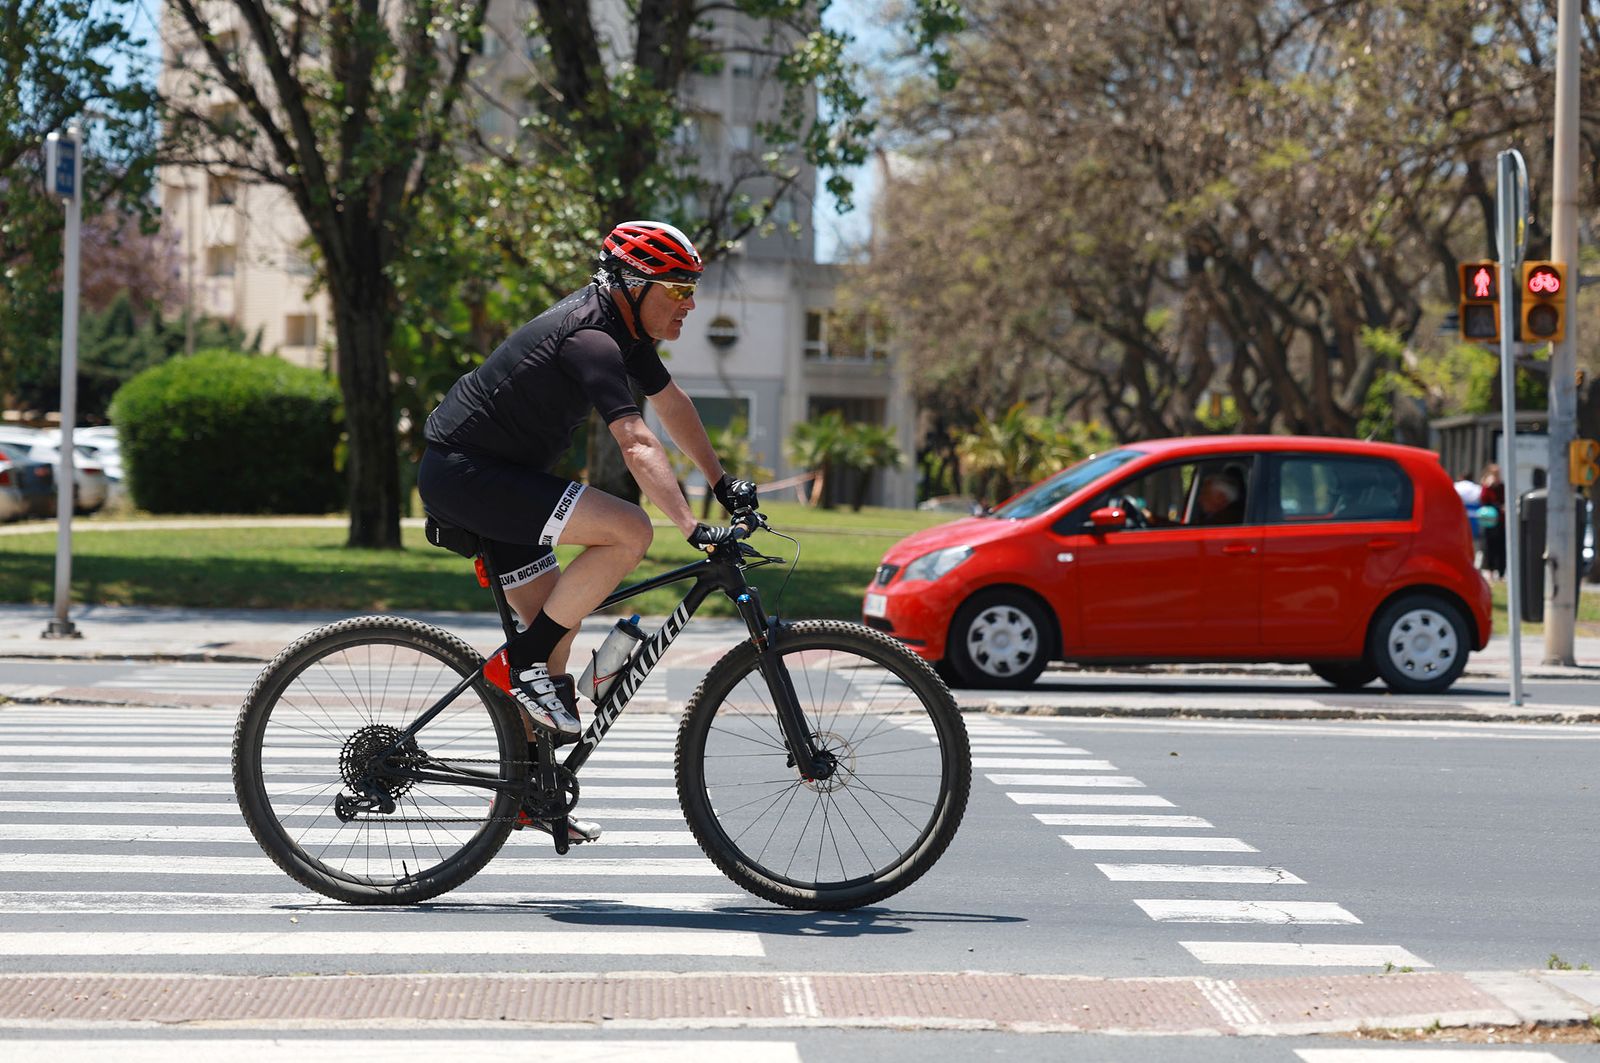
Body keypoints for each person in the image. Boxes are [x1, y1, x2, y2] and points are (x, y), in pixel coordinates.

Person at [418, 220, 757, 842]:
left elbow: (672, 405)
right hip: (468, 475)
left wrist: (721, 481)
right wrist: (689, 525)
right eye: (679, 289)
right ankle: (521, 664)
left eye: (693, 290)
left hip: (497, 477)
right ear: (633, 284)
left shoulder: (623, 332)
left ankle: (529, 797)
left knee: (556, 633)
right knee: (630, 530)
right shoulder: (591, 338)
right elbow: (636, 440)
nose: (690, 304)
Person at [1479, 462, 1506, 578]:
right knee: (1489, 545)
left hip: (1500, 520)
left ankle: (1500, 571)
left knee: (1501, 546)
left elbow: (1504, 499)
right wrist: (1488, 486)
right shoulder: (1486, 487)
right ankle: (1489, 569)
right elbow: (1483, 499)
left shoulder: (1502, 486)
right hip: (1489, 520)